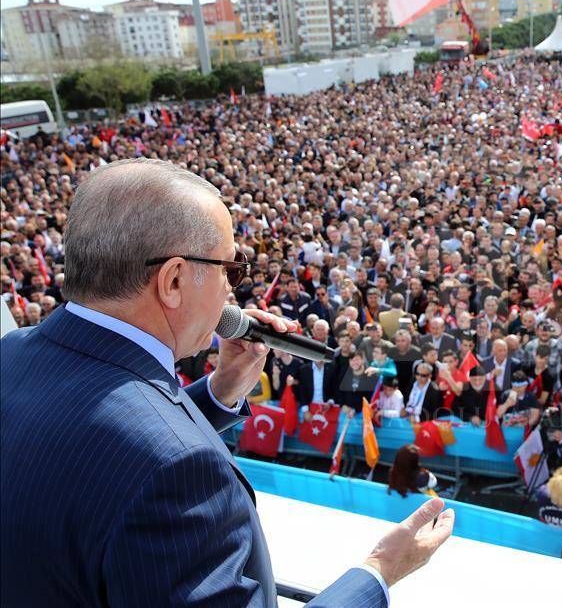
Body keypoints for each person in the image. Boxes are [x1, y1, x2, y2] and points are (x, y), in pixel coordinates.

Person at [0, 159, 454, 607]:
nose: (231, 292)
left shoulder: (13, 351)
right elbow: (146, 447)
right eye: (229, 270)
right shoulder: (177, 470)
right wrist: (378, 572)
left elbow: (104, 430)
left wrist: (221, 390)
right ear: (174, 280)